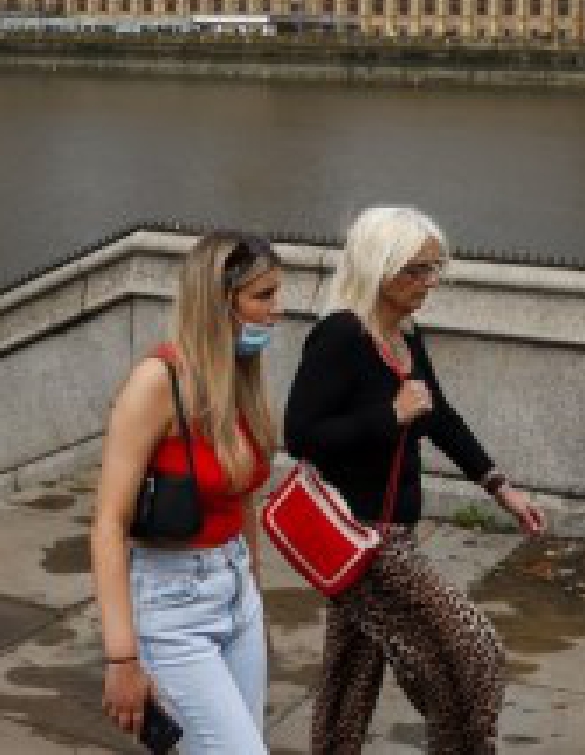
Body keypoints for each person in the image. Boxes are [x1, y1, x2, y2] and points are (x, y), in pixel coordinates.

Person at [284, 206, 546, 754]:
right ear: (381, 267)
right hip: (358, 535)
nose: (429, 282)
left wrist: (502, 488)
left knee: (349, 677)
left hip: (392, 530)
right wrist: (390, 415)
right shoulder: (339, 336)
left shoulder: (405, 334)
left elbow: (441, 418)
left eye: (434, 269)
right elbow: (301, 436)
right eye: (418, 270)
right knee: (470, 656)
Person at [92, 231, 282, 752]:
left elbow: (242, 500)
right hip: (173, 607)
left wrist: (256, 601)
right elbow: (109, 522)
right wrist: (122, 658)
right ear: (220, 302)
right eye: (262, 297)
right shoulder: (157, 383)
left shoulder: (239, 379)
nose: (276, 311)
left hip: (236, 591)